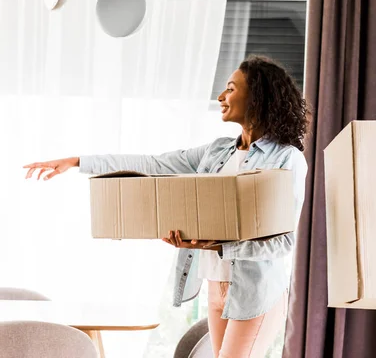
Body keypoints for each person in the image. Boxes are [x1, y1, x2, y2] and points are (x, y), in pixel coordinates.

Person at [24, 55, 309, 358]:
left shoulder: (286, 159)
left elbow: (283, 242)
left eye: (230, 88)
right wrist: (77, 162)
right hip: (216, 285)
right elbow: (152, 164)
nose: (220, 96)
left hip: (257, 293)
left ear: (257, 96)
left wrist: (219, 246)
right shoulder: (217, 152)